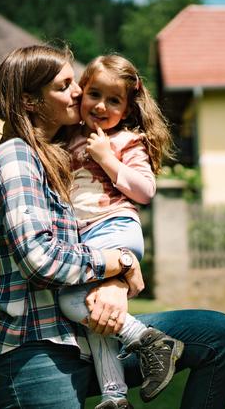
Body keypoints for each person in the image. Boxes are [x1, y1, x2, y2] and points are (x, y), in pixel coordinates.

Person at [0, 44, 225, 409]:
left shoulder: (59, 154)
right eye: (64, 85)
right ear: (29, 101)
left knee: (219, 336)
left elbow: (97, 230)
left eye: (76, 82)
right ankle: (143, 340)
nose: (79, 92)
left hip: (84, 331)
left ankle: (140, 357)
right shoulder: (15, 156)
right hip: (37, 347)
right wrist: (121, 263)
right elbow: (39, 258)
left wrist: (115, 283)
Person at [57, 54, 181, 409]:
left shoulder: (128, 140)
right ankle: (114, 395)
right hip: (88, 239)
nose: (101, 106)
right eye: (95, 94)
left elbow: (145, 190)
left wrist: (108, 159)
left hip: (115, 228)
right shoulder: (67, 139)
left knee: (71, 301)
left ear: (126, 110)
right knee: (97, 313)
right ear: (82, 93)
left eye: (114, 100)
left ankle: (148, 341)